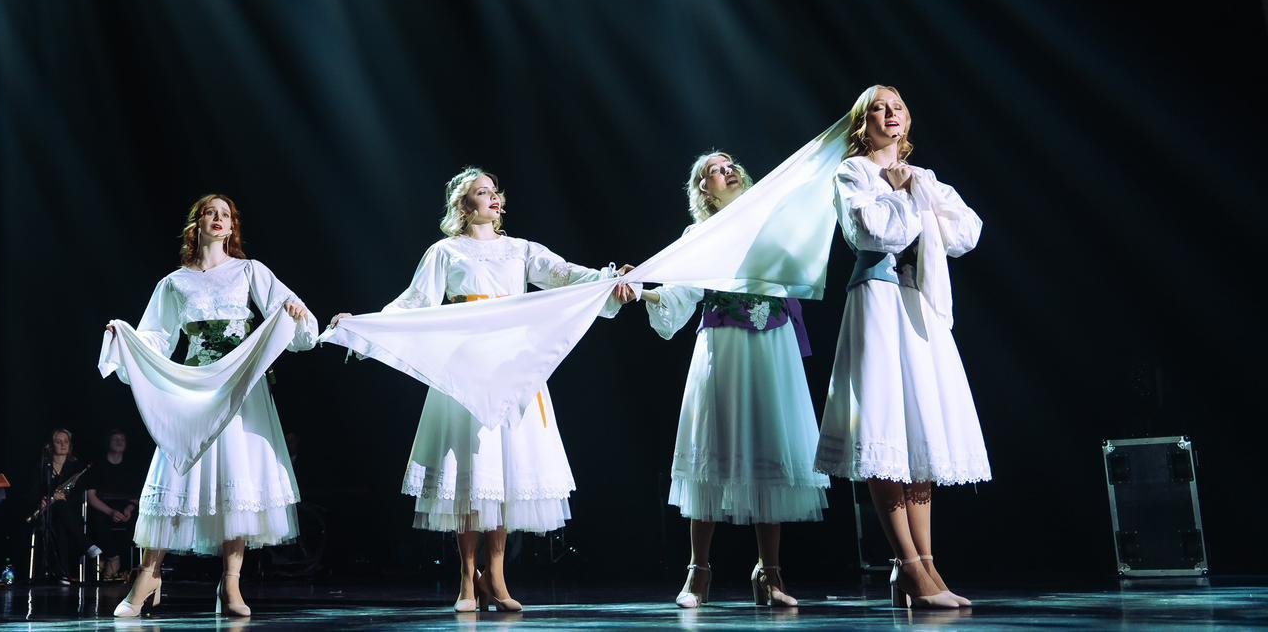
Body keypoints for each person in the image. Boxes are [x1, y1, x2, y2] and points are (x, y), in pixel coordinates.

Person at [330, 167, 632, 613]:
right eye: (481, 192)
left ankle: (496, 574)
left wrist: (608, 279)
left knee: (504, 471)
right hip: (467, 368)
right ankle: (466, 578)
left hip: (512, 367)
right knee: (472, 473)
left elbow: (565, 274)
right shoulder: (445, 251)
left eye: (494, 191)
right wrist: (363, 325)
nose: (493, 198)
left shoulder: (521, 249)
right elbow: (415, 302)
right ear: (463, 204)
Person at [814, 85, 990, 609]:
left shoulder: (922, 177)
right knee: (884, 428)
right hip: (877, 302)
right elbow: (872, 233)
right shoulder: (852, 173)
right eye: (878, 108)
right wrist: (902, 196)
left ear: (907, 121)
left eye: (897, 107)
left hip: (918, 306)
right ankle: (908, 565)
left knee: (919, 433)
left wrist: (916, 192)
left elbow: (967, 232)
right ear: (862, 123)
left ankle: (926, 565)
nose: (890, 114)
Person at [105, 194, 318, 617]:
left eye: (226, 215)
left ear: (232, 227)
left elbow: (297, 318)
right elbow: (156, 336)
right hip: (196, 388)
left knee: (238, 478)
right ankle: (149, 575)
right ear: (197, 223)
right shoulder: (174, 282)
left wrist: (295, 313)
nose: (219, 219)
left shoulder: (249, 271)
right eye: (210, 213)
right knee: (177, 472)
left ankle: (231, 583)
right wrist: (125, 340)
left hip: (240, 388)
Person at [634, 152, 830, 609]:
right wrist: (644, 292)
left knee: (769, 442)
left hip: (772, 344)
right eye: (715, 170)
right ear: (704, 189)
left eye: (731, 165)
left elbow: (805, 251)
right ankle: (698, 571)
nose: (728, 171)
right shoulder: (699, 235)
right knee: (714, 443)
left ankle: (770, 571)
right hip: (724, 346)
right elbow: (679, 293)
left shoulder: (772, 222)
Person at [31, 428, 99, 583]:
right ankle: (85, 544)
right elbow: (32, 492)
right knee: (61, 519)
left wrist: (60, 498)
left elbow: (78, 494)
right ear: (51, 445)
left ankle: (63, 573)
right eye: (58, 441)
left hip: (71, 513)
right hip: (45, 513)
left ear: (70, 445)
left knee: (62, 517)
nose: (63, 445)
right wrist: (42, 499)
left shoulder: (77, 467)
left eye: (66, 441)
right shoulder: (42, 466)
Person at [85, 429, 139, 581]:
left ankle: (128, 568)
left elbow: (136, 496)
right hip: (103, 508)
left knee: (137, 523)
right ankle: (112, 557)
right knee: (97, 522)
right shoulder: (97, 466)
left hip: (126, 509)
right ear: (108, 442)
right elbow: (91, 497)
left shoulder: (131, 467)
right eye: (116, 439)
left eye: (122, 439)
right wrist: (110, 512)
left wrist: (129, 509)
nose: (119, 442)